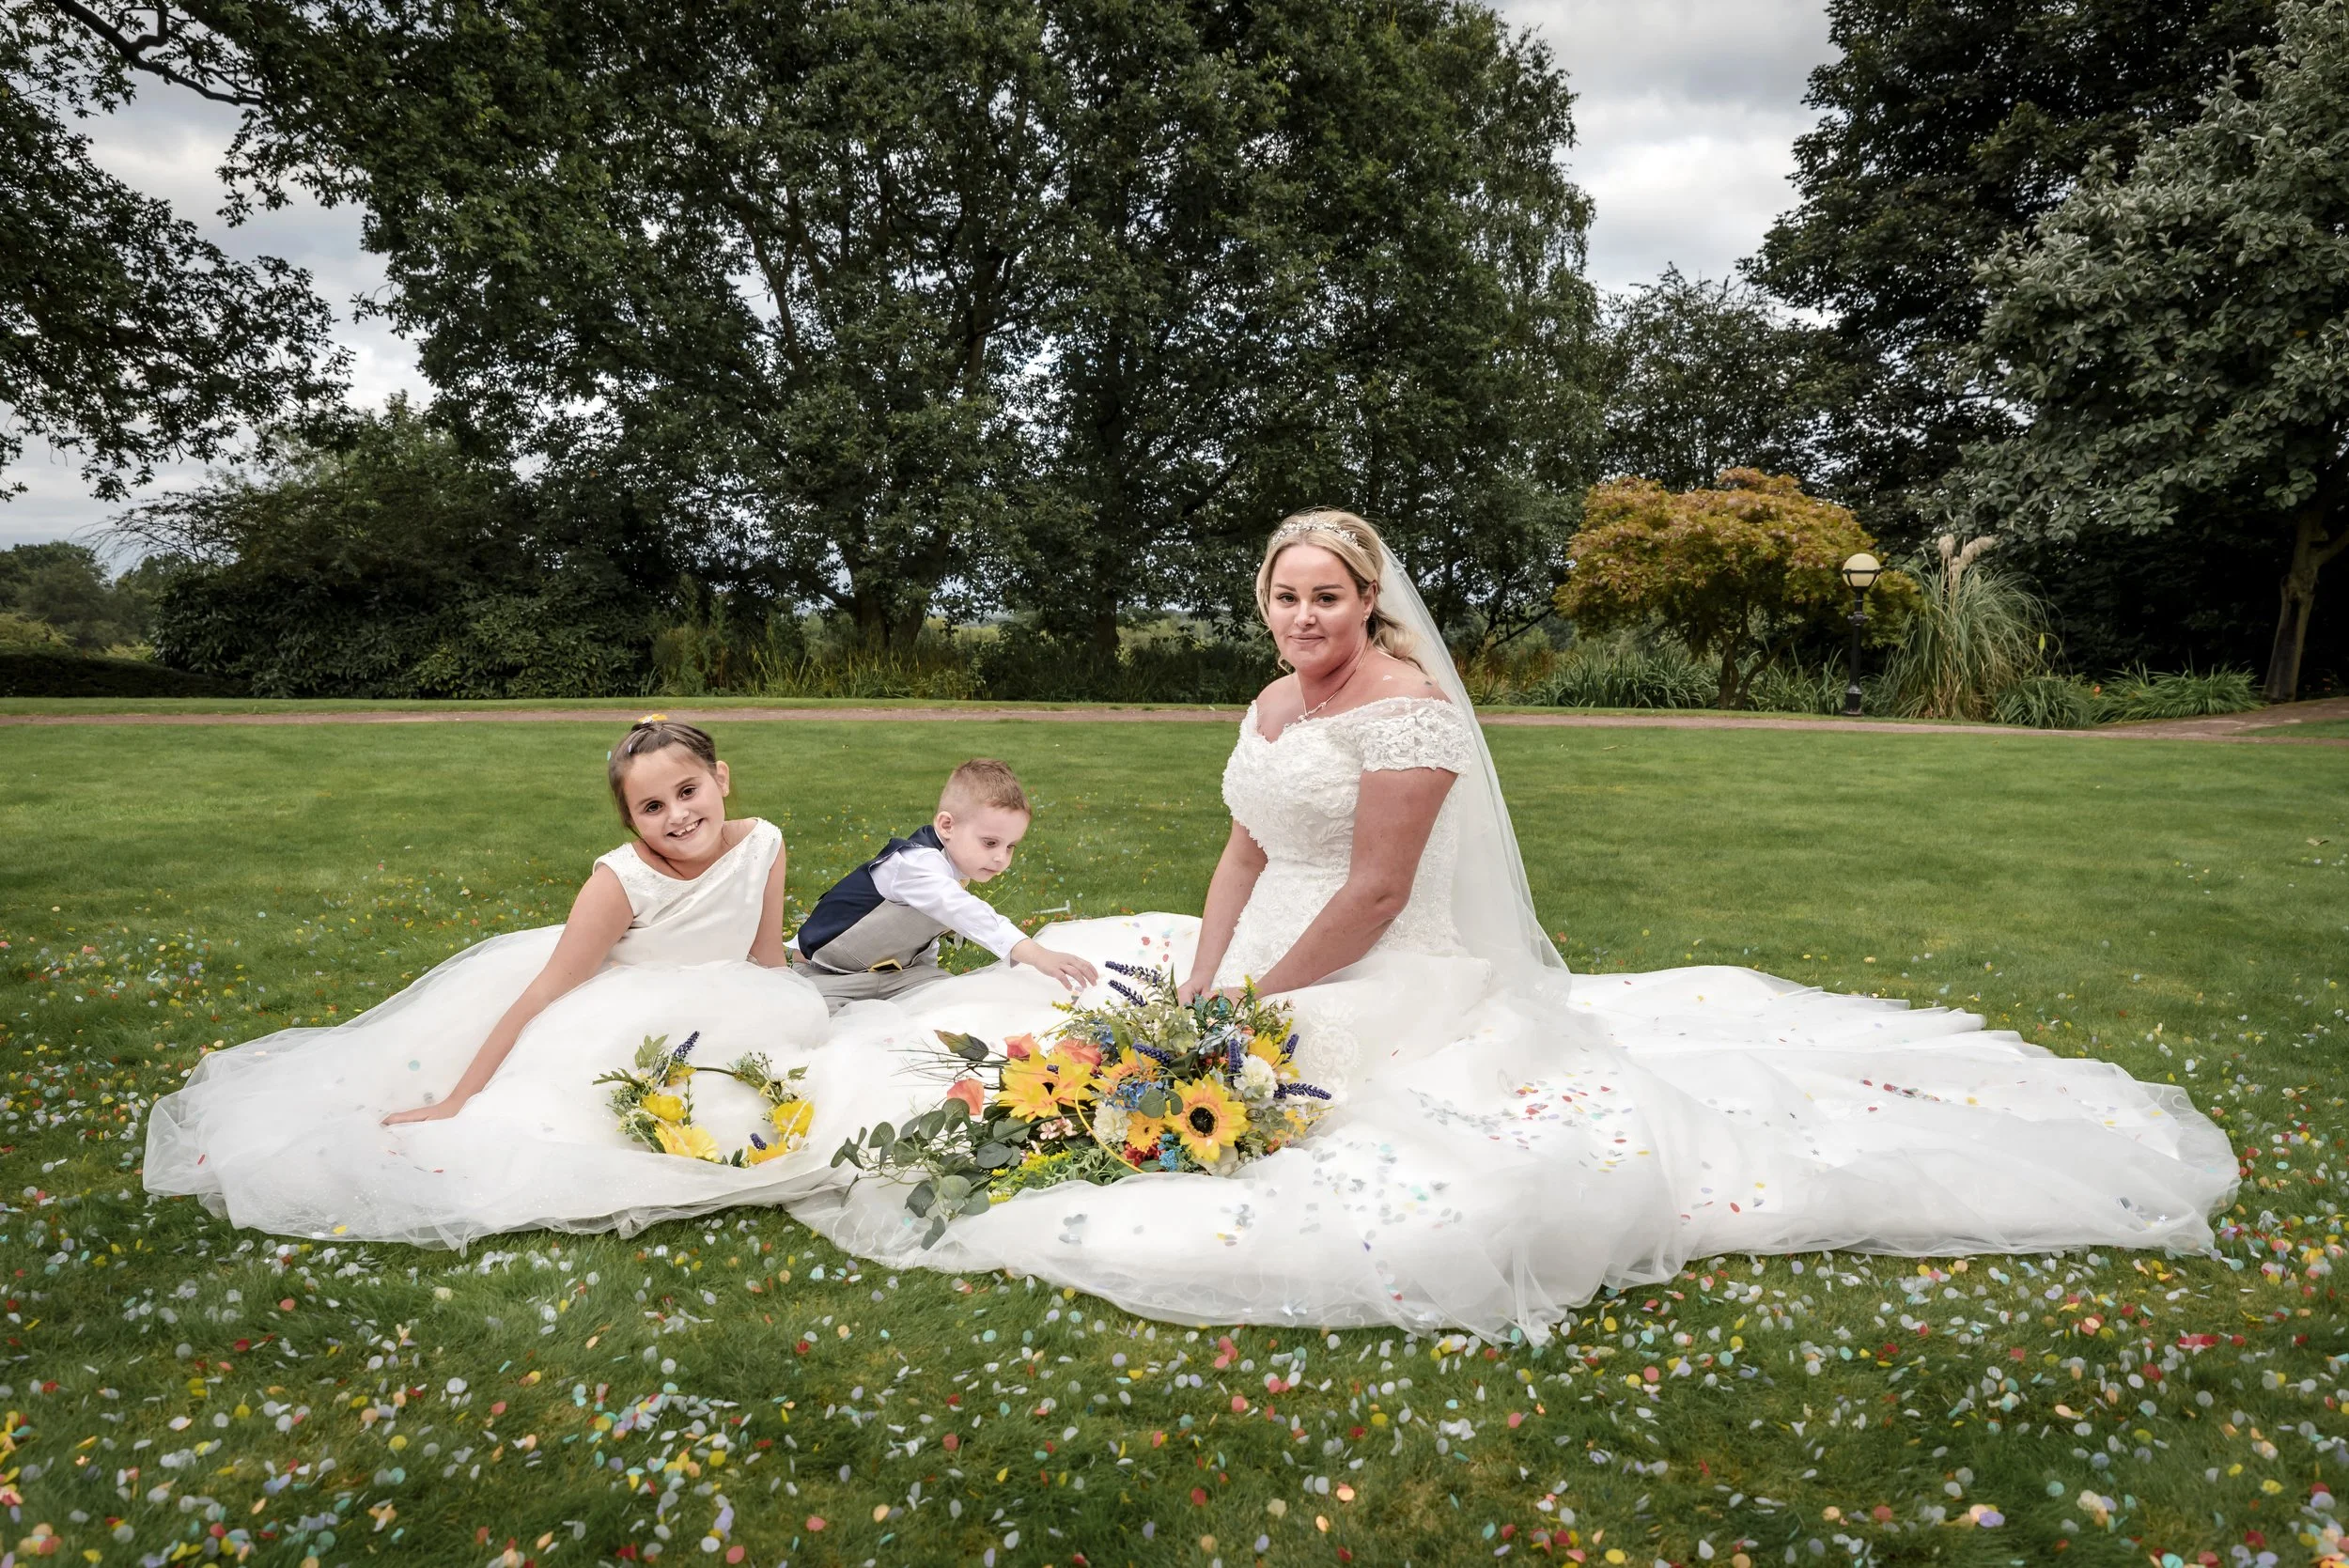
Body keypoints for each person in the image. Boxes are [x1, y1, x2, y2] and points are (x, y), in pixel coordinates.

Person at [786, 508, 2238, 1339]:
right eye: (1284, 595)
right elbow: (1239, 847)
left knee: (1326, 1114)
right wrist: (1205, 975)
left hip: (1379, 954)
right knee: (1131, 1018)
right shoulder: (1273, 699)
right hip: (1270, 938)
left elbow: (1370, 891)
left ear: (1367, 601)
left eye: (1327, 596)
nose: (1302, 615)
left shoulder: (1408, 718)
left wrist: (1253, 1012)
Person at [143, 718, 832, 1247]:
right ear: (631, 821)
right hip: (609, 1006)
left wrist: (790, 1012)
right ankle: (458, 1100)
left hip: (718, 1004)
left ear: (722, 777)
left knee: (791, 1094)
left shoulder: (763, 843)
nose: (678, 815)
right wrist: (459, 1099)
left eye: (689, 791)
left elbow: (764, 955)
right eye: (653, 807)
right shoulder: (620, 881)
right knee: (574, 1125)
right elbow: (546, 988)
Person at [788, 759, 1099, 1009]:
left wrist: (926, 969)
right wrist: (1035, 954)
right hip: (828, 973)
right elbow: (964, 911)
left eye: (1010, 846)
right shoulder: (915, 864)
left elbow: (924, 932)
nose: (1000, 858)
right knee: (825, 1027)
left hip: (898, 974)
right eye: (990, 842)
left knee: (954, 1002)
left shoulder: (954, 868)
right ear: (947, 825)